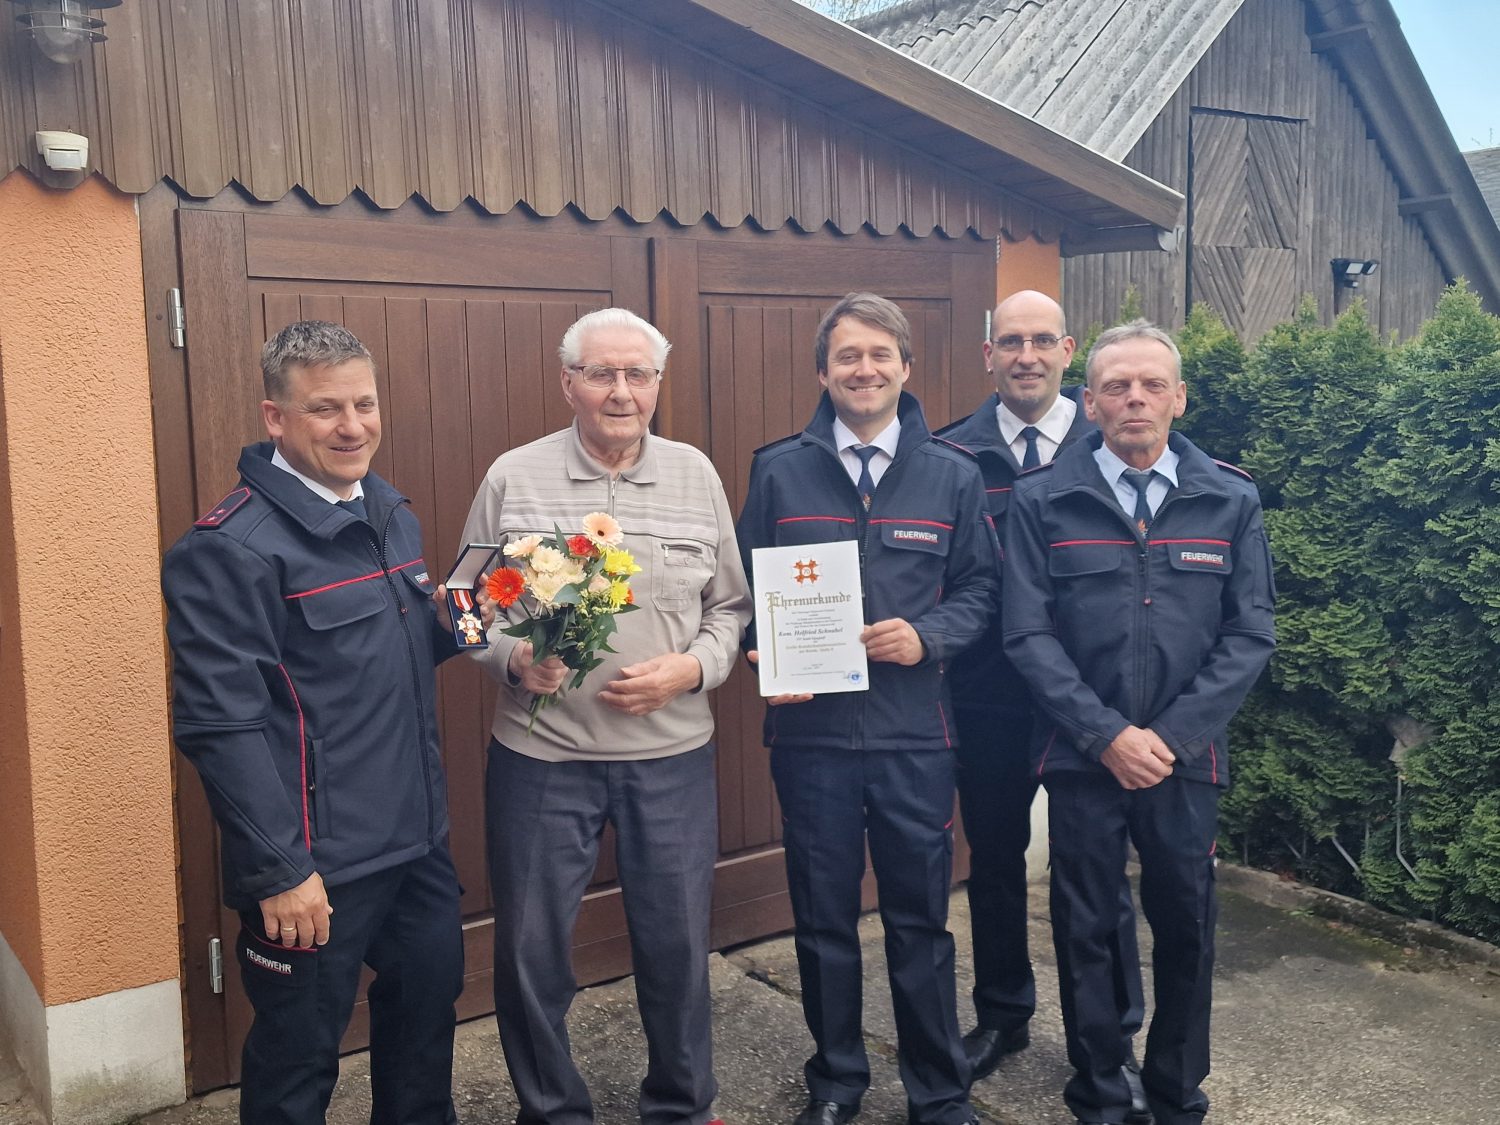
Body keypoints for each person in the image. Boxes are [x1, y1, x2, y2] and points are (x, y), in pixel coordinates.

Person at [161, 320, 475, 1124]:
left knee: (423, 1035)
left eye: (365, 404)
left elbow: (387, 656)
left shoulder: (387, 510)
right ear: (275, 418)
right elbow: (217, 723)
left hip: (416, 841)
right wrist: (279, 871)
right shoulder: (231, 549)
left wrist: (479, 611)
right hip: (315, 867)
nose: (352, 426)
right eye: (325, 409)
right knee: (298, 1067)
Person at [460, 307, 750, 1125]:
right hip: (541, 757)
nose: (620, 392)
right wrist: (513, 658)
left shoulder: (696, 475)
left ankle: (683, 1107)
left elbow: (729, 606)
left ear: (658, 383)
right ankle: (551, 1111)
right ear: (569, 383)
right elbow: (462, 607)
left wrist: (694, 666)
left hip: (672, 757)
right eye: (601, 373)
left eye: (638, 374)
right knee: (530, 953)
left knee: (677, 946)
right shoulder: (514, 476)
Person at [1003, 320, 1276, 1125]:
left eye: (1152, 384)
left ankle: (1175, 1088)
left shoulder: (1230, 496)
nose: (1134, 399)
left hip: (1185, 759)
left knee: (1186, 928)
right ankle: (1098, 1087)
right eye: (1117, 386)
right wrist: (1106, 735)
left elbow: (1250, 630)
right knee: (1086, 928)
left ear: (1179, 397)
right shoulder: (1041, 498)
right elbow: (1027, 632)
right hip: (1082, 752)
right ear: (1089, 403)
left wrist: (1169, 737)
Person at [737, 293, 999, 1125]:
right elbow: (747, 590)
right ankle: (838, 1080)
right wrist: (762, 653)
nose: (865, 369)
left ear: (906, 367)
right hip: (810, 738)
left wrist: (927, 636)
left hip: (914, 736)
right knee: (822, 921)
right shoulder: (778, 469)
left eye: (880, 354)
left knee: (920, 922)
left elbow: (983, 588)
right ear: (824, 371)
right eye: (848, 356)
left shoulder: (953, 473)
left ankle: (939, 1089)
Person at [937, 292, 1147, 1120]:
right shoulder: (950, 452)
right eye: (1009, 341)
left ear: (1068, 352)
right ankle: (1002, 1015)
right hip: (986, 695)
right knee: (991, 863)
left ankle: (1111, 1042)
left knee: (1095, 878)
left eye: (1041, 342)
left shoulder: (1116, 446)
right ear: (987, 354)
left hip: (1089, 701)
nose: (1026, 355)